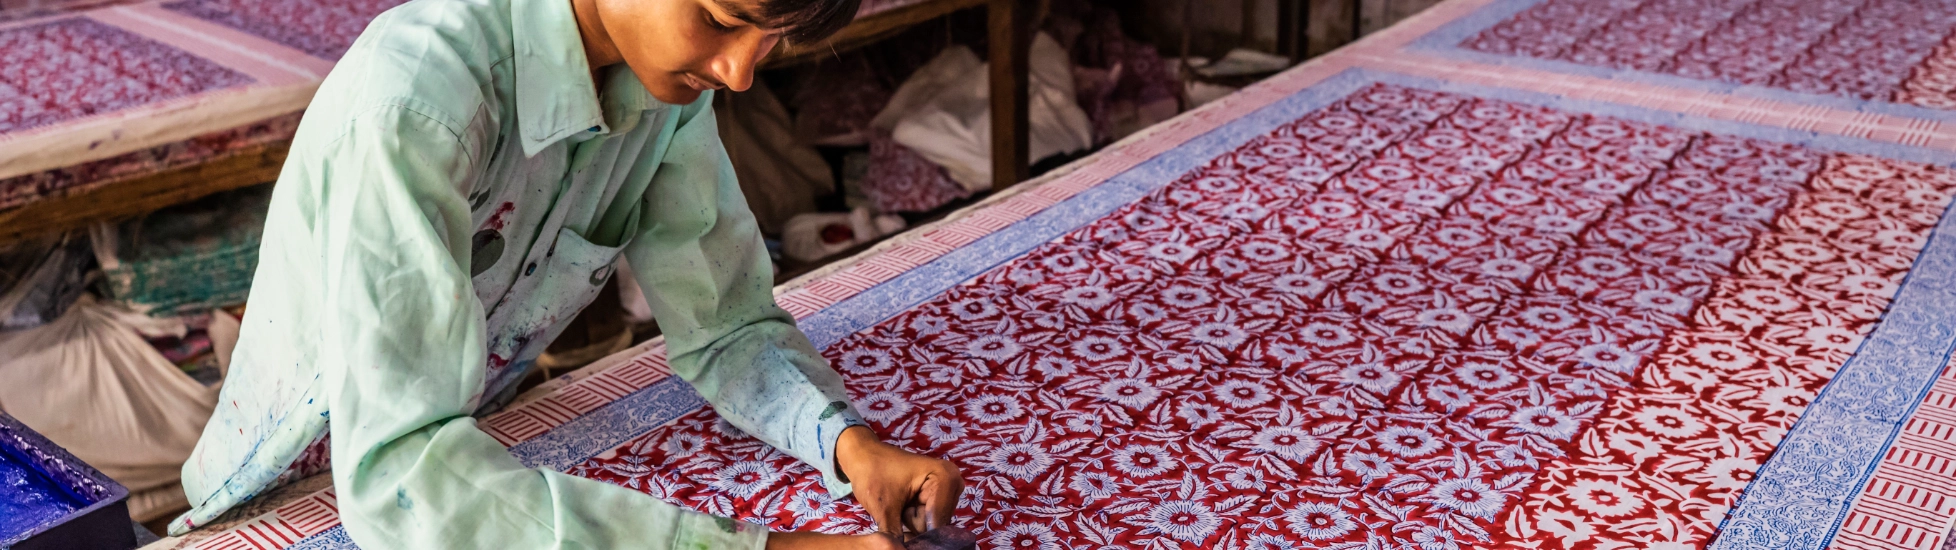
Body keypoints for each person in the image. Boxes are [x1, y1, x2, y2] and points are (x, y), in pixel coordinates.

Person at [165, 0, 964, 547]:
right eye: (722, 20)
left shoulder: (667, 98)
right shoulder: (412, 109)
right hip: (301, 491)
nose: (741, 72)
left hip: (462, 445)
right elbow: (397, 481)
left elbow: (725, 323)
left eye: (772, 39)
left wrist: (850, 445)